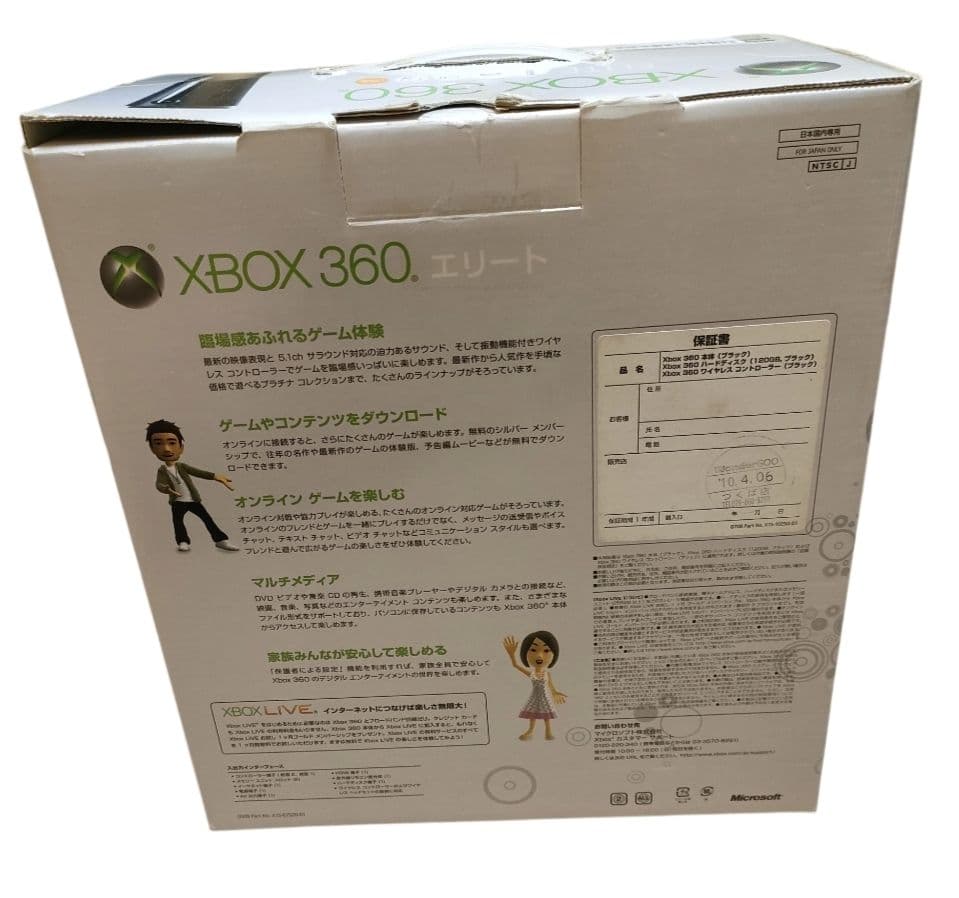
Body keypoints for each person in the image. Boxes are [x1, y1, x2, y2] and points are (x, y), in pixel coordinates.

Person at [146, 419, 239, 553]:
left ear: (181, 447)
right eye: (158, 443)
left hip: (193, 500)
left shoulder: (182, 466)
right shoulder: (162, 470)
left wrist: (215, 476)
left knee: (207, 519)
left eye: (172, 443)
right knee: (178, 522)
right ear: (152, 449)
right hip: (177, 502)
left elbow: (198, 472)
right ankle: (183, 541)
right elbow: (159, 484)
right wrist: (167, 489)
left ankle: (220, 540)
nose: (166, 449)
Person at [503, 631, 567, 741]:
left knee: (546, 714)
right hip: (534, 696)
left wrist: (555, 693)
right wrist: (512, 654)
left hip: (545, 696)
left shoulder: (547, 674)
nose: (539, 655)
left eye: (546, 650)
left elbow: (551, 687)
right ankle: (531, 730)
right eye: (533, 650)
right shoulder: (531, 673)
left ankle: (548, 731)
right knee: (532, 714)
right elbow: (515, 665)